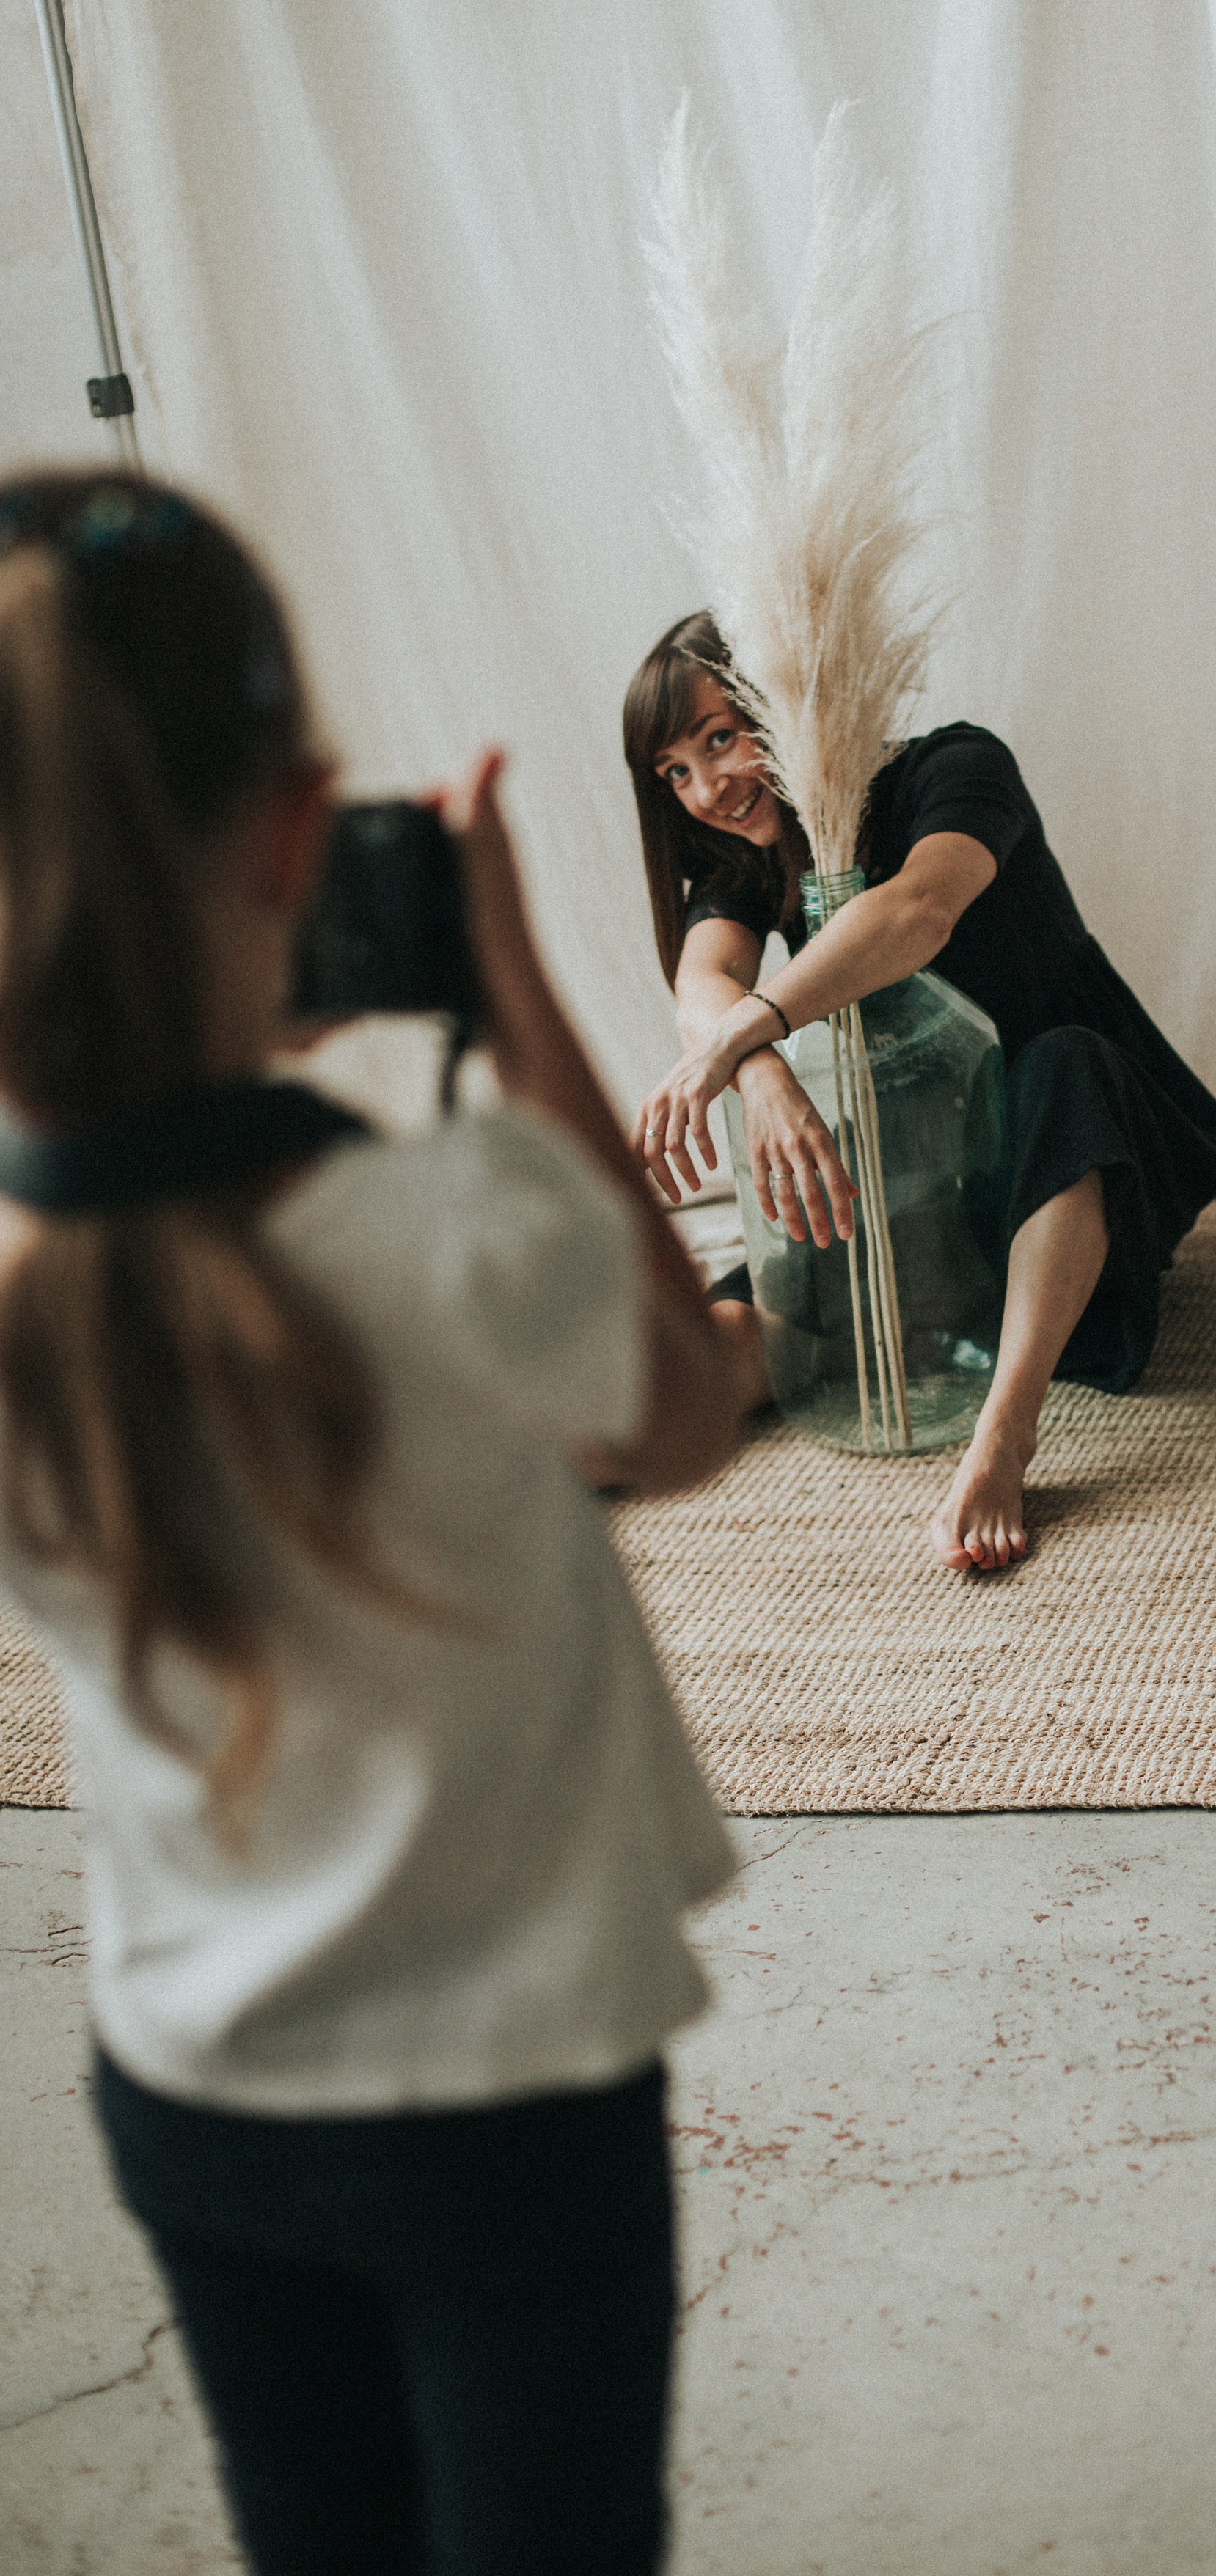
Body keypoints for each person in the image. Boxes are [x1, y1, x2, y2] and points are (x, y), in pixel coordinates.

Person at [0, 472, 740, 2576]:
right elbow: (685, 1414)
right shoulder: (461, 1227)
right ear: (302, 833)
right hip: (509, 2096)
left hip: (190, 2088)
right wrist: (506, 978)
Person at [624, 611, 1216, 1572]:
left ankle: (1005, 1437)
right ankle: (534, 1459)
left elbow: (919, 910)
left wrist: (753, 1029)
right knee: (737, 1328)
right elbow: (702, 983)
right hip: (928, 1181)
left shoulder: (953, 770)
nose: (707, 788)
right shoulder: (757, 861)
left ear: (788, 701)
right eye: (675, 770)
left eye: (720, 737)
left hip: (1085, 1157)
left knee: (1061, 1062)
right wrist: (757, 1075)